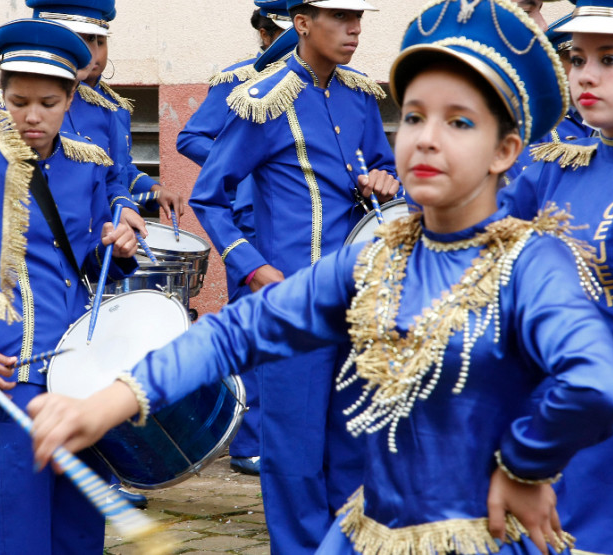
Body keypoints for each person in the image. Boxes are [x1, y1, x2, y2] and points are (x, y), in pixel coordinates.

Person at [28, 2, 613, 554]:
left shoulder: (530, 264)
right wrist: (112, 400)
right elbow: (237, 331)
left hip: (482, 534)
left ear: (506, 151)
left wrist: (525, 464)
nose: (426, 139)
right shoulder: (375, 261)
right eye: (414, 116)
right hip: (373, 532)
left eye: (459, 123)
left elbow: (596, 381)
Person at [0, 18, 138, 553]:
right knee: (24, 523)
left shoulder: (87, 164)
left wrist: (118, 251)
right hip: (13, 372)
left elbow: (86, 263)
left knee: (83, 521)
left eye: (48, 103)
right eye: (18, 102)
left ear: (71, 100)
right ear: (1, 94)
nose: (32, 116)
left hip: (83, 367)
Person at [182, 0, 400, 551]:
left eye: (358, 17)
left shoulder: (359, 95)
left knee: (354, 446)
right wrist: (253, 268)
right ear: (302, 23)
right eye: (339, 17)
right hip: (294, 305)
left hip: (358, 299)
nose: (354, 29)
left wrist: (384, 178)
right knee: (294, 453)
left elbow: (385, 165)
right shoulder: (263, 100)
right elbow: (209, 196)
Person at [499, 1, 613, 552]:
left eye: (610, 58)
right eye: (577, 58)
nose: (585, 75)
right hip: (548, 423)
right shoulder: (556, 166)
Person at [175, 0, 296, 477]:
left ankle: (287, 436)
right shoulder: (239, 79)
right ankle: (250, 440)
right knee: (254, 327)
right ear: (265, 34)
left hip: (296, 224)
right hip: (248, 222)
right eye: (282, 33)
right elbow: (190, 137)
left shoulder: (324, 84)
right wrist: (240, 167)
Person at [26, 0, 150, 237]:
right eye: (78, 39)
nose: (90, 52)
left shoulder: (105, 108)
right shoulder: (2, 109)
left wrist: (123, 206)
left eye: (95, 39)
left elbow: (112, 178)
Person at [82, 7, 184, 223]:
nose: (93, 52)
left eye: (100, 42)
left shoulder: (117, 107)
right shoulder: (54, 107)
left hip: (115, 228)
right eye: (83, 41)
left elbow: (121, 169)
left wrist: (155, 190)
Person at [506, 8, 594, 181]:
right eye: (578, 61)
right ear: (554, 65)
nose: (592, 74)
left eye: (610, 61)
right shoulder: (535, 125)